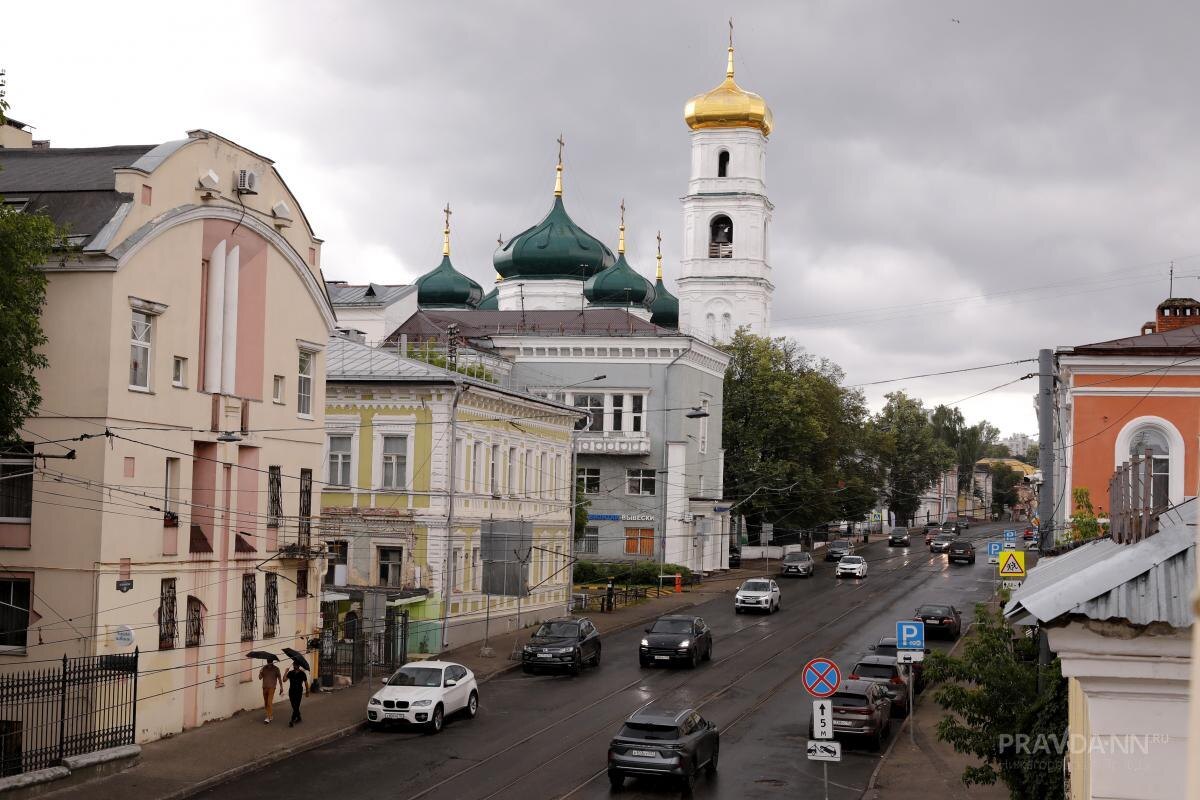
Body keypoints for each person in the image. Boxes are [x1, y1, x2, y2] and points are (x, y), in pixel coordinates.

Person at [258, 659, 282, 724]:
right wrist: (260, 671)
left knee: (269, 702)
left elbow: (279, 678)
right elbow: (260, 678)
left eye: (270, 661)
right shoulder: (264, 668)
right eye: (268, 661)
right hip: (264, 687)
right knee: (266, 703)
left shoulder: (276, 669)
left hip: (272, 687)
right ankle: (270, 715)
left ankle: (268, 717)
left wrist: (281, 687)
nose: (269, 662)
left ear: (272, 661)